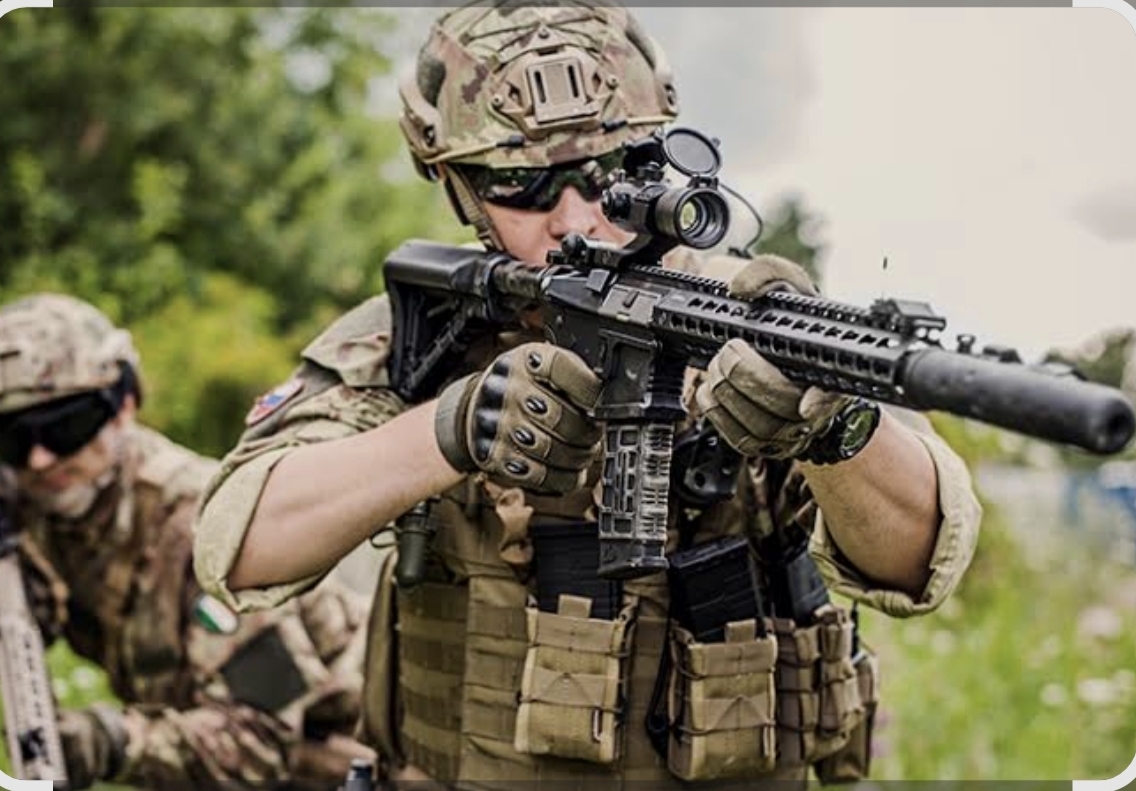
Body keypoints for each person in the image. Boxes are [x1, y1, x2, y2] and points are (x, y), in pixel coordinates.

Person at [193, 3, 983, 788]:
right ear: (459, 187)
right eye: (521, 183)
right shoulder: (418, 332)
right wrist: (451, 426)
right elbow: (238, 543)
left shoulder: (759, 318)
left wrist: (836, 432)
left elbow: (921, 560)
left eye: (612, 173)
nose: (575, 218)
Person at [0, 293, 375, 791]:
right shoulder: (38, 502)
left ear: (123, 406)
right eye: (12, 437)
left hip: (346, 750)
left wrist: (111, 741)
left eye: (64, 426)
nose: (39, 460)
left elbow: (260, 740)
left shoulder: (204, 529)